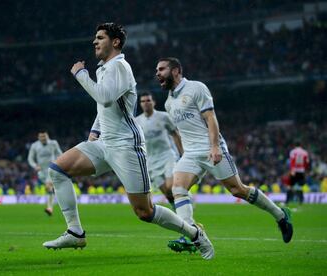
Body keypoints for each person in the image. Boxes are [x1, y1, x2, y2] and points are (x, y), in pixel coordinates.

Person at [42, 23, 215, 260]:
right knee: (58, 169)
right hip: (105, 143)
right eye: (95, 38)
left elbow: (103, 98)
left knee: (145, 212)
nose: (94, 42)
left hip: (126, 146)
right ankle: (75, 231)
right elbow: (105, 108)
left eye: (100, 37)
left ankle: (194, 234)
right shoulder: (105, 68)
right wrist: (94, 131)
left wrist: (81, 74)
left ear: (115, 42)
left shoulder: (120, 66)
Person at [155, 57, 293, 253]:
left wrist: (215, 147)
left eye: (162, 69)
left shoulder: (196, 88)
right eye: (157, 70)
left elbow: (211, 118)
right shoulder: (169, 102)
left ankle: (280, 215)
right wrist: (184, 155)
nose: (157, 73)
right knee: (177, 188)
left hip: (210, 148)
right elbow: (184, 131)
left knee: (237, 190)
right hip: (191, 153)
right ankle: (191, 234)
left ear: (176, 70)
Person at [28, 130, 62, 215]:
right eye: (41, 137)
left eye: (44, 136)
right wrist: (35, 166)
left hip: (51, 168)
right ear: (38, 137)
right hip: (41, 171)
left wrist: (59, 163)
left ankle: (49, 208)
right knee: (48, 188)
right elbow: (30, 158)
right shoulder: (34, 145)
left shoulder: (53, 143)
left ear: (47, 136)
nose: (43, 138)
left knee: (48, 185)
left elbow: (60, 154)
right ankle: (51, 206)